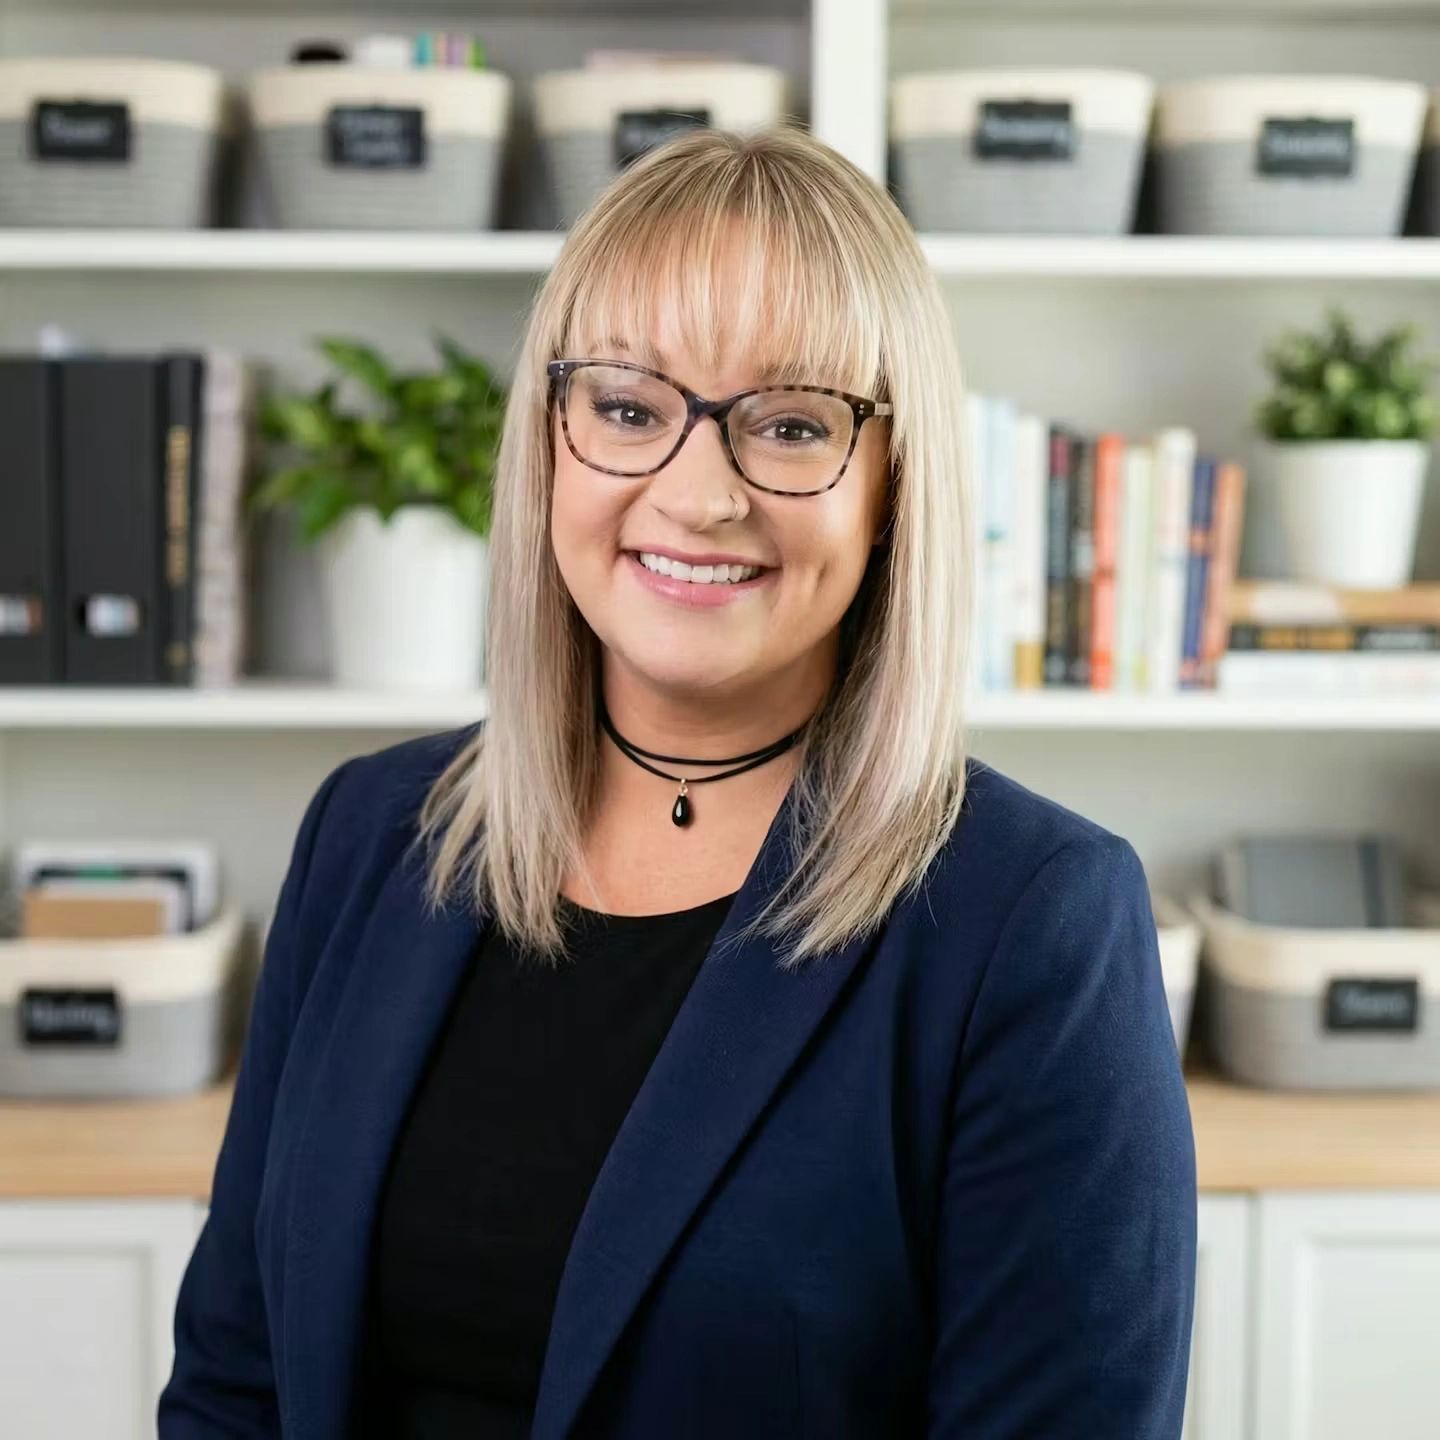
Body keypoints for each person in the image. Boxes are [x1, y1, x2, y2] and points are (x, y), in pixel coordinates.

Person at [159, 125, 1195, 1440]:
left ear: (894, 485)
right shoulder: (371, 832)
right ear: (550, 439)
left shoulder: (1035, 920)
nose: (698, 494)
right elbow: (237, 1379)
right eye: (629, 408)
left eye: (793, 424)